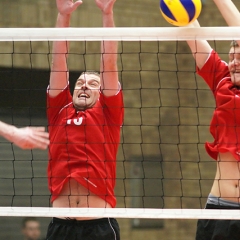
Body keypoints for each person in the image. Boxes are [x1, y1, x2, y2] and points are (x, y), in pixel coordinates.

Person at [45, 0, 123, 239]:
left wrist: (107, 14)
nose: (84, 86)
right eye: (79, 82)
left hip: (98, 225)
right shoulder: (60, 109)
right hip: (61, 225)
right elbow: (59, 61)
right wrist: (63, 16)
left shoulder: (108, 113)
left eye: (92, 84)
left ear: (101, 93)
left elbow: (108, 63)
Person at [185, 0, 240, 239]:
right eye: (232, 57)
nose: (234, 62)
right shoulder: (221, 80)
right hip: (217, 209)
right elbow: (190, 32)